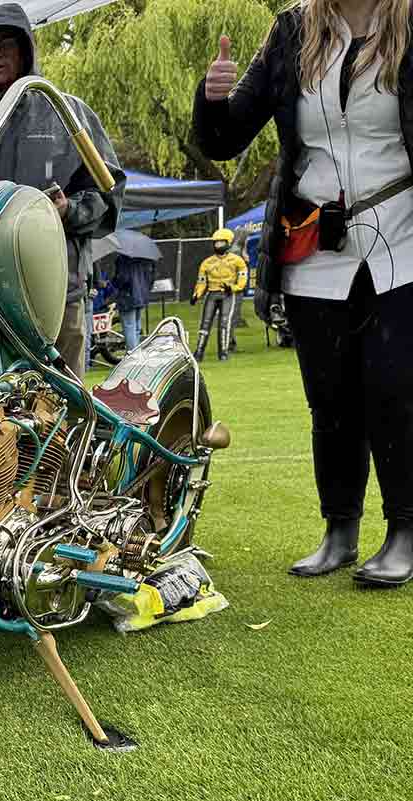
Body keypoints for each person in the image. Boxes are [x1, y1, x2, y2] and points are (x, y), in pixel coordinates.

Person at [194, 1, 413, 586]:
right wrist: (213, 97)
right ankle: (339, 530)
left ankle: (404, 531)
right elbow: (226, 136)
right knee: (330, 395)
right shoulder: (293, 29)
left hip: (403, 231)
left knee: (394, 386)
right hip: (313, 241)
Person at [0, 3, 125, 380]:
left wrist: (67, 211)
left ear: (25, 50)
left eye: (6, 43)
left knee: (59, 421)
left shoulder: (68, 114)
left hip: (53, 300)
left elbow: (110, 197)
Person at [190, 227, 248, 361]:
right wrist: (197, 295)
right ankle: (198, 352)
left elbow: (242, 278)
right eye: (216, 243)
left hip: (228, 294)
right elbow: (201, 281)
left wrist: (234, 288)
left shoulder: (237, 260)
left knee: (225, 323)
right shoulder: (207, 262)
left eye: (221, 243)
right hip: (211, 294)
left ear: (228, 243)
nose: (218, 245)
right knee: (205, 323)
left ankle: (223, 352)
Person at [112, 252, 154, 350]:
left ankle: (132, 357)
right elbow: (151, 277)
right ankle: (137, 355)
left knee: (129, 328)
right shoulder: (146, 257)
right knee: (136, 328)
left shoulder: (123, 259)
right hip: (141, 296)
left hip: (128, 297)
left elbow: (123, 278)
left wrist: (114, 282)